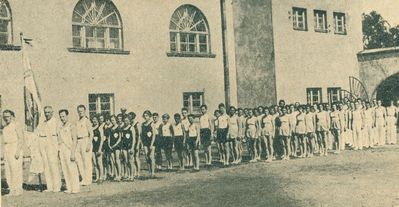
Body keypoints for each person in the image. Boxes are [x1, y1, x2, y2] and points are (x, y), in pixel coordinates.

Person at [37, 106, 62, 192]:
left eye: (48, 112)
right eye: (45, 112)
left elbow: (59, 135)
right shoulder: (43, 123)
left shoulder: (56, 122)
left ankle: (57, 186)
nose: (47, 114)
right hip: (44, 145)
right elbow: (38, 133)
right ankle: (50, 186)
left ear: (52, 112)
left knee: (53, 165)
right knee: (46, 166)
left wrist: (59, 148)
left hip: (52, 145)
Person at [57, 109, 80, 193]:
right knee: (65, 169)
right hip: (62, 150)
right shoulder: (60, 127)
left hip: (70, 150)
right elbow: (59, 140)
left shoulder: (71, 126)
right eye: (60, 117)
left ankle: (75, 188)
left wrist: (73, 153)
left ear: (67, 116)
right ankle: (69, 188)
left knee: (72, 169)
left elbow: (74, 140)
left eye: (63, 116)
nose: (62, 118)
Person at [1, 110, 24, 196]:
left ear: (12, 116)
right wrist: (3, 153)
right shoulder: (5, 127)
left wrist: (18, 151)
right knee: (8, 170)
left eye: (7, 116)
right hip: (7, 148)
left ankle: (17, 190)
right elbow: (4, 141)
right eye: (4, 117)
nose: (6, 118)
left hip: (14, 147)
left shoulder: (16, 125)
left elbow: (21, 139)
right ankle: (11, 189)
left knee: (15, 170)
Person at [141, 110, 156, 177]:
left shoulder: (152, 124)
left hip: (151, 142)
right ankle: (149, 172)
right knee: (147, 157)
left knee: (151, 157)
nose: (145, 117)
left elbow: (154, 135)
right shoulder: (143, 124)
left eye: (147, 115)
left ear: (150, 116)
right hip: (145, 142)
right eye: (144, 116)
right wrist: (142, 144)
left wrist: (151, 144)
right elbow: (142, 135)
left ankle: (153, 172)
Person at [108, 115, 122, 181]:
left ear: (116, 120)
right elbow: (109, 137)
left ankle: (119, 175)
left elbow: (120, 138)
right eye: (111, 120)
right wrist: (109, 145)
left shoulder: (118, 127)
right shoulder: (111, 128)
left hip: (117, 146)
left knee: (117, 160)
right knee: (113, 161)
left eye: (113, 120)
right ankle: (116, 175)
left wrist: (116, 144)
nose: (112, 121)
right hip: (111, 145)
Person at [121, 115, 134, 180]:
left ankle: (132, 175)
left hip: (130, 146)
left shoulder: (131, 128)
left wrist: (132, 147)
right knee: (126, 161)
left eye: (127, 120)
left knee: (130, 160)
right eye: (125, 120)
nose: (126, 122)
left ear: (129, 121)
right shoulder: (123, 128)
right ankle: (128, 174)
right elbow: (122, 138)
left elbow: (134, 139)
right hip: (124, 146)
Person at [91, 116, 104, 183]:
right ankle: (97, 177)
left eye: (96, 119)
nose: (94, 121)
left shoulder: (100, 128)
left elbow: (102, 139)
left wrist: (100, 148)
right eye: (93, 119)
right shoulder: (91, 128)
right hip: (93, 147)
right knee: (95, 163)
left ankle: (101, 177)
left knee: (99, 162)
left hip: (98, 147)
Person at [129, 112, 140, 179]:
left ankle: (138, 173)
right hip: (131, 142)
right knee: (132, 158)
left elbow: (139, 135)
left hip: (136, 142)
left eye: (131, 117)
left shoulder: (137, 124)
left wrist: (138, 144)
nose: (130, 118)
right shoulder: (130, 124)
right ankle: (135, 172)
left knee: (136, 157)